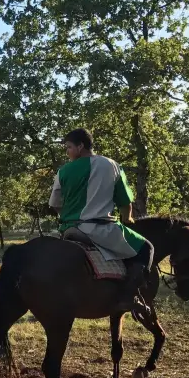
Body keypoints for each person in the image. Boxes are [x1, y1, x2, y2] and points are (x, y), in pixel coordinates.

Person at [49, 128, 154, 305]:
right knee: (146, 248)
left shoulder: (63, 171)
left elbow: (54, 204)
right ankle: (129, 297)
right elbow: (124, 203)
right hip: (100, 229)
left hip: (69, 230)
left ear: (80, 146)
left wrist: (67, 217)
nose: (67, 152)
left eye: (68, 147)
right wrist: (127, 219)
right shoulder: (112, 165)